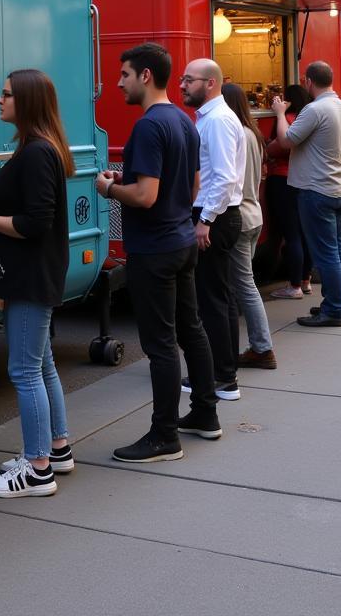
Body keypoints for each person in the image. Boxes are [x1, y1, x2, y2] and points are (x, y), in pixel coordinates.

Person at [96, 42, 219, 462]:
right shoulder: (184, 121)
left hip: (154, 248)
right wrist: (129, 178)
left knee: (161, 344)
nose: (118, 83)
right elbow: (193, 183)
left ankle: (164, 435)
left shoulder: (148, 126)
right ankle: (205, 413)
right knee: (191, 329)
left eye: (124, 74)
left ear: (145, 76)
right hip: (181, 239)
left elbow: (145, 196)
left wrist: (110, 187)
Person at [0, 69, 74, 497]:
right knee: (41, 364)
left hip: (28, 276)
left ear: (26, 102)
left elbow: (34, 223)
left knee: (25, 370)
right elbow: (27, 207)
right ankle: (56, 448)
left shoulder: (36, 152)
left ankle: (37, 467)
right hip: (32, 273)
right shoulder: (37, 149)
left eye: (5, 94)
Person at [179, 59, 245, 400]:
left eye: (188, 80)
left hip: (215, 218)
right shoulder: (213, 117)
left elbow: (223, 176)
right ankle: (222, 372)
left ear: (210, 83)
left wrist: (205, 220)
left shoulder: (217, 120)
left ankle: (222, 376)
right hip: (218, 215)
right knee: (219, 295)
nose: (182, 85)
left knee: (212, 298)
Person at [272, 61, 341, 328]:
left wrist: (280, 113)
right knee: (337, 251)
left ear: (308, 81)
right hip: (339, 187)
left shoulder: (314, 109)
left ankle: (333, 310)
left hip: (316, 190)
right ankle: (338, 303)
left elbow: (286, 141)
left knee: (327, 253)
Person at [220, 83, 275, 370]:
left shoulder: (233, 134)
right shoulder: (253, 134)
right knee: (241, 284)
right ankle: (253, 345)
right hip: (254, 213)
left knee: (244, 286)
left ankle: (262, 347)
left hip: (238, 217)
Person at [266, 84, 313, 299]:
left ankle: (293, 286)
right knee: (304, 233)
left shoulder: (289, 119)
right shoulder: (309, 119)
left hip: (282, 180)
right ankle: (305, 280)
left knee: (291, 234)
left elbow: (278, 147)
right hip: (303, 180)